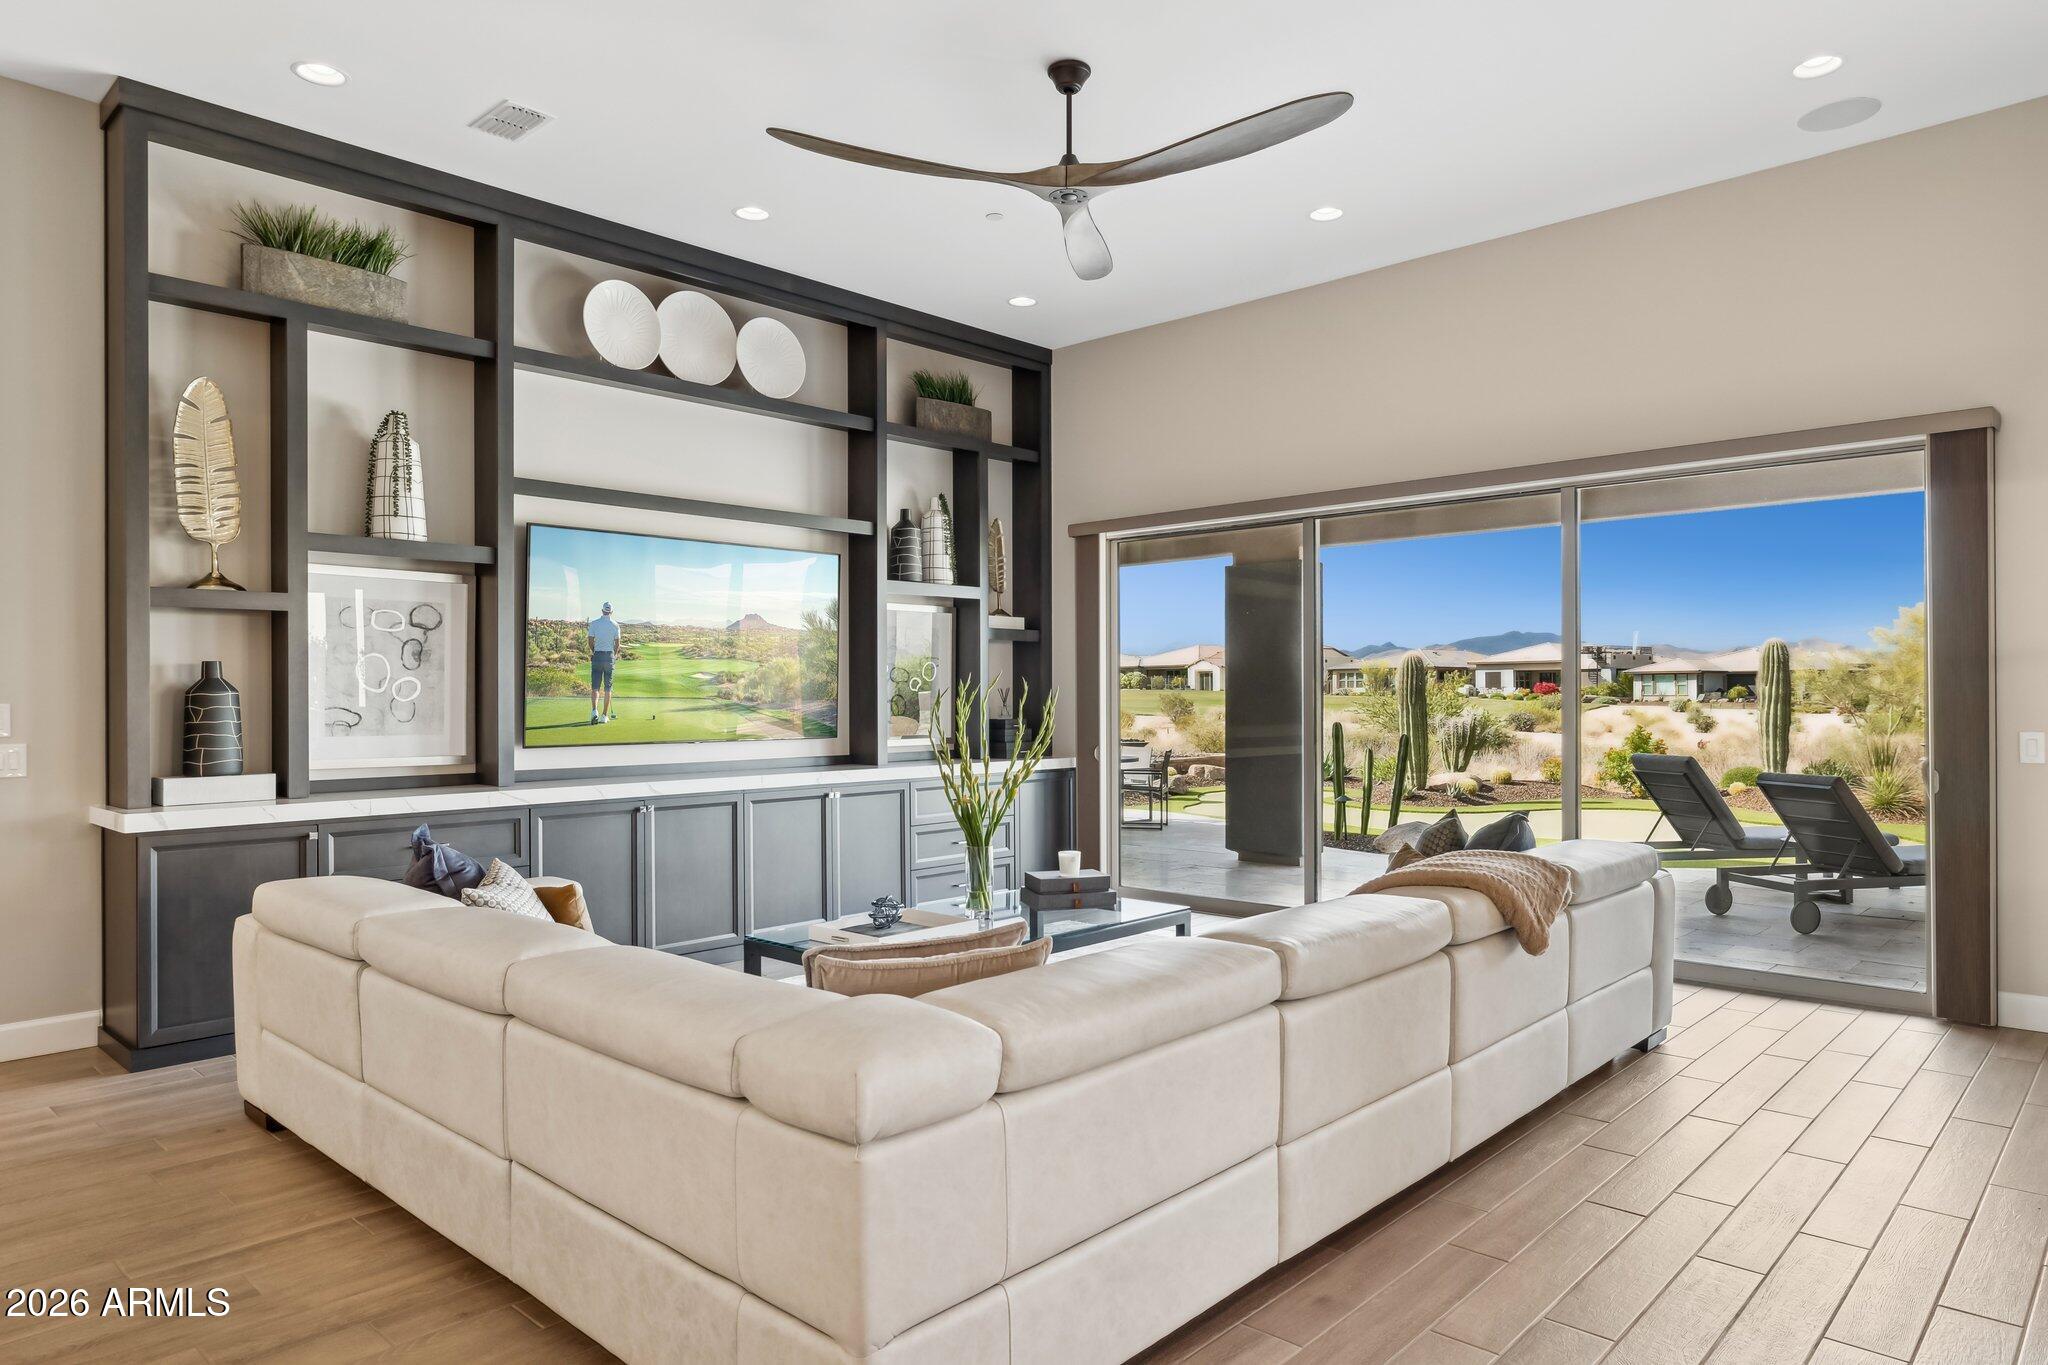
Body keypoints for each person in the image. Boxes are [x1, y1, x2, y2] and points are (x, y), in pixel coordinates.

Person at [588, 602, 621, 724]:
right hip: (609, 657)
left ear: (602, 611)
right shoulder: (615, 625)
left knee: (595, 687)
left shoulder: (594, 623)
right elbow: (617, 644)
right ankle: (604, 716)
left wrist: (594, 651)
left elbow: (590, 641)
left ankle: (594, 711)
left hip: (597, 655)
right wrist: (614, 655)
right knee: (608, 688)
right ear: (611, 612)